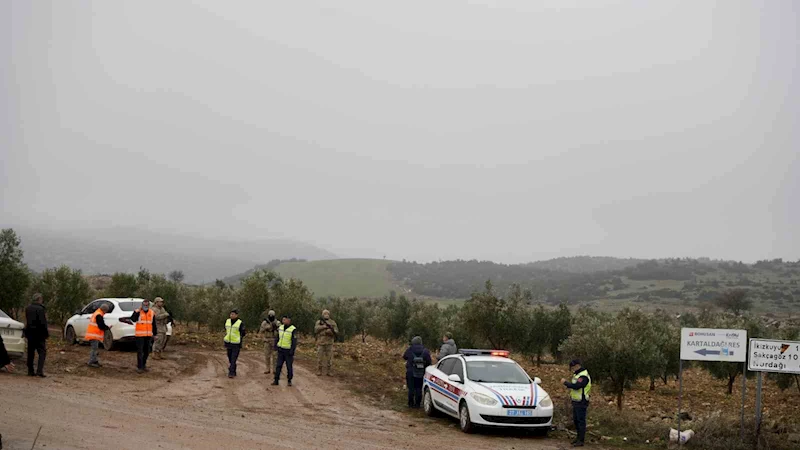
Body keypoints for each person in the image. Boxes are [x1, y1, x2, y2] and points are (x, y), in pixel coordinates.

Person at [120, 299, 156, 374]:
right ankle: (139, 367)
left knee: (147, 351)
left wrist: (155, 334)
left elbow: (153, 324)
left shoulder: (152, 313)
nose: (145, 306)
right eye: (144, 304)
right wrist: (137, 312)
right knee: (140, 351)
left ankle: (144, 364)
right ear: (142, 305)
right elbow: (133, 319)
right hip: (140, 335)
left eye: (147, 305)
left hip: (148, 335)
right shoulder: (137, 312)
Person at [561, 359, 591, 447]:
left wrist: (566, 383)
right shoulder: (577, 374)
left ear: (578, 365)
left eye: (573, 367)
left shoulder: (583, 376)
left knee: (581, 421)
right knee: (576, 421)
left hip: (581, 401)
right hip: (576, 401)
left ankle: (581, 440)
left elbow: (577, 386)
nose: (573, 369)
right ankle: (578, 438)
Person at [402, 336, 432, 408]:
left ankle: (410, 403)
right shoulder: (425, 351)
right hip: (421, 372)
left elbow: (404, 357)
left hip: (410, 372)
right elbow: (429, 362)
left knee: (411, 388)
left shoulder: (410, 349)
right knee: (418, 388)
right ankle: (417, 404)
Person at [24, 293, 49, 377]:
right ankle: (39, 371)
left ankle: (30, 370)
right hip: (39, 334)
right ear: (39, 299)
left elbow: (27, 321)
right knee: (42, 352)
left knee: (30, 352)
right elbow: (43, 323)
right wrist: (46, 333)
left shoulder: (28, 308)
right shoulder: (41, 309)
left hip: (30, 333)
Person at [272, 314, 297, 387]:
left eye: (284, 320)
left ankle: (289, 380)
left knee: (289, 366)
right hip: (281, 349)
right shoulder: (281, 327)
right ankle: (276, 380)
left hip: (288, 351)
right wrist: (275, 346)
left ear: (288, 320)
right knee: (278, 365)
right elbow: (277, 337)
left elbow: (294, 341)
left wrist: (292, 351)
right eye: (283, 320)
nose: (283, 321)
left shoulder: (293, 329)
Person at [314, 309, 338, 376]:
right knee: (319, 358)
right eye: (325, 314)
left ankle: (329, 371)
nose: (326, 315)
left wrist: (331, 332)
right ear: (322, 314)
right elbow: (316, 329)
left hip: (329, 343)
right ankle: (319, 370)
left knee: (329, 358)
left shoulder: (332, 322)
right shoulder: (319, 322)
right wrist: (323, 327)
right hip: (321, 342)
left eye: (327, 314)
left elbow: (336, 331)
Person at [223, 308, 246, 378]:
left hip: (236, 343)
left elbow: (243, 332)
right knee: (229, 357)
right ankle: (233, 368)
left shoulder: (240, 323)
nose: (231, 315)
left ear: (236, 315)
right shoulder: (227, 321)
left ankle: (231, 372)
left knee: (233, 358)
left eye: (233, 314)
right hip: (228, 342)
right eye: (231, 314)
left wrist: (240, 339)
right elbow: (226, 329)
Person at [258, 310, 279, 375]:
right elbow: (261, 331)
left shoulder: (277, 322)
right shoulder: (264, 322)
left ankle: (275, 369)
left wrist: (276, 328)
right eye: (270, 315)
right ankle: (267, 368)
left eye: (272, 315)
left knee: (275, 356)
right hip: (267, 340)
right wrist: (267, 328)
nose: (271, 316)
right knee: (267, 355)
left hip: (274, 340)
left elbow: (280, 331)